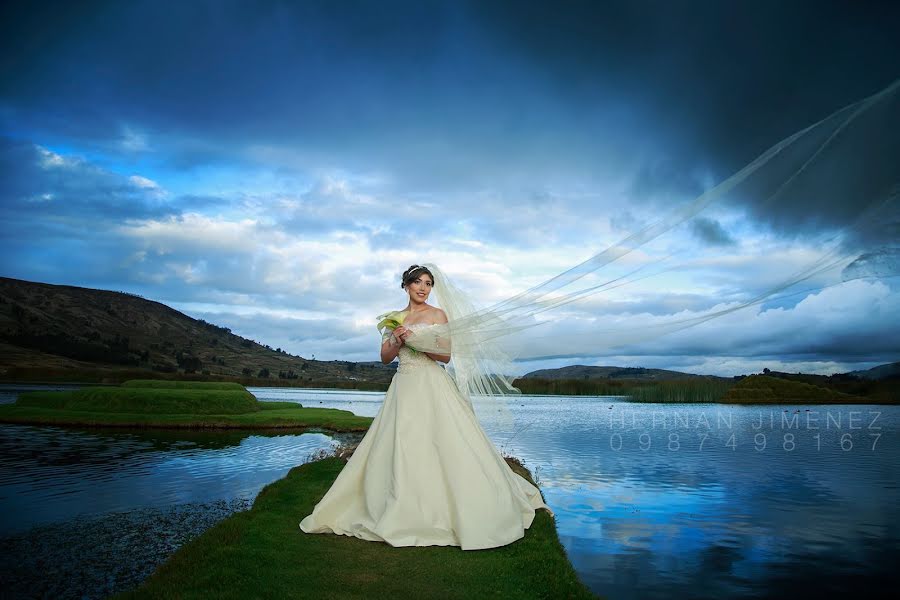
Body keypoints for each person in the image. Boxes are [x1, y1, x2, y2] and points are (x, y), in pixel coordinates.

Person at [298, 264, 553, 550]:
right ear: (405, 286)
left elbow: (444, 356)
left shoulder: (438, 315)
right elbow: (385, 358)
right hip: (403, 386)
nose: (423, 287)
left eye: (428, 283)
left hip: (432, 383)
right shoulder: (394, 319)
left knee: (442, 440)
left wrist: (417, 342)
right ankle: (400, 502)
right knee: (402, 442)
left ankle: (452, 505)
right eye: (417, 282)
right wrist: (396, 339)